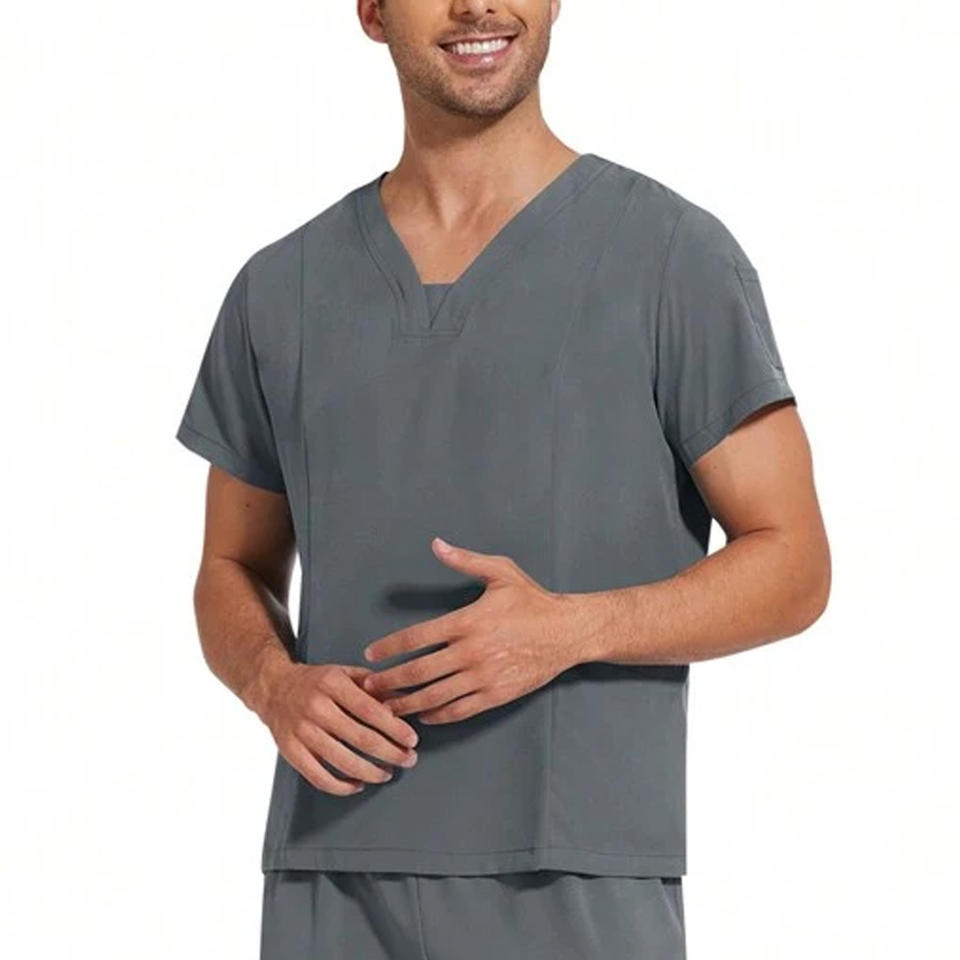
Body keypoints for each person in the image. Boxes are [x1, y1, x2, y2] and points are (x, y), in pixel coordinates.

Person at [175, 1, 831, 957]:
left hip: (574, 882)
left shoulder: (670, 258)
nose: (477, 4)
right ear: (372, 11)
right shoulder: (281, 289)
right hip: (328, 874)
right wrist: (272, 683)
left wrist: (571, 630)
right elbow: (229, 566)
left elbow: (795, 563)